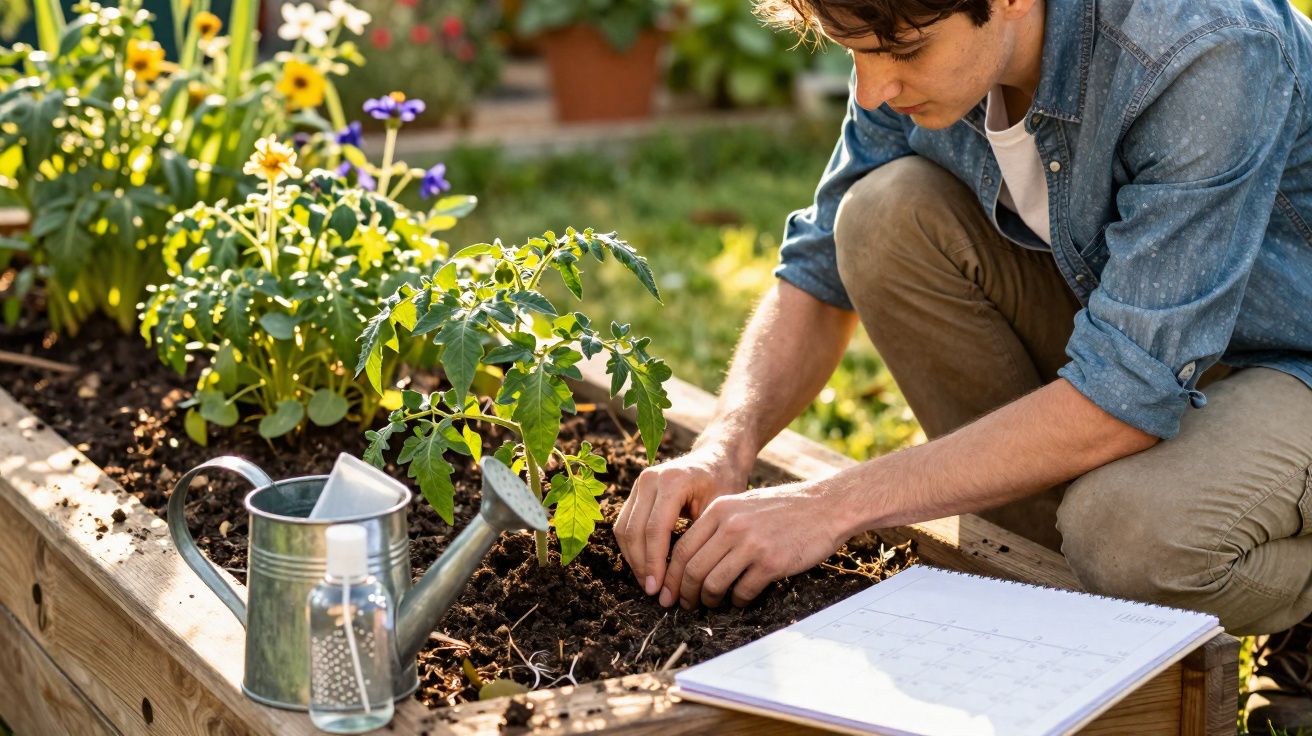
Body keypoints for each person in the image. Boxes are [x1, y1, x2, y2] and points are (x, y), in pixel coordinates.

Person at [613, 0, 1312, 730]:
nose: (872, 89)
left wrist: (829, 507)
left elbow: (1125, 391)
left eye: (905, 53)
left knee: (1132, 535)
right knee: (881, 218)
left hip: (1291, 357)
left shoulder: (1204, 50)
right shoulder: (902, 28)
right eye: (852, 53)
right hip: (1157, 333)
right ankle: (1065, 595)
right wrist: (726, 445)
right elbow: (820, 266)